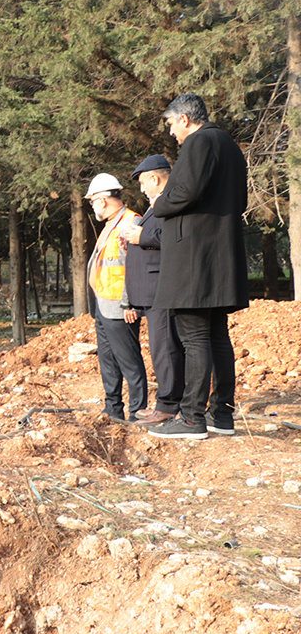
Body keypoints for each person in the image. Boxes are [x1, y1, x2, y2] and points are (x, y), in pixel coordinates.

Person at [149, 94, 249, 440]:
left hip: (194, 259)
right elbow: (240, 200)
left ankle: (191, 418)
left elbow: (185, 191)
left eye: (173, 124)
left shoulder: (199, 142)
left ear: (186, 119)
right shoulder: (230, 146)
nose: (173, 133)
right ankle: (222, 414)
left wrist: (159, 204)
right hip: (221, 258)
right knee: (217, 335)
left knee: (194, 337)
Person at [120, 155, 185, 425]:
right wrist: (135, 242)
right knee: (161, 347)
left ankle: (169, 404)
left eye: (143, 183)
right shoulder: (157, 204)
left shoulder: (171, 201)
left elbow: (177, 238)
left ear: (155, 178)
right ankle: (168, 402)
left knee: (166, 348)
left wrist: (141, 236)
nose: (142, 189)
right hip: (152, 289)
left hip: (162, 287)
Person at [84, 172, 147, 422]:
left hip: (120, 307)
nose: (92, 207)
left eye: (92, 202)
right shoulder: (110, 224)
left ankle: (137, 412)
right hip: (103, 304)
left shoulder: (132, 222)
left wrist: (129, 302)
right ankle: (113, 409)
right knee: (108, 360)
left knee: (129, 361)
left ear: (101, 200)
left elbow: (135, 267)